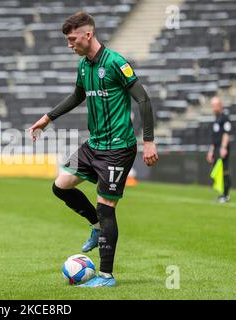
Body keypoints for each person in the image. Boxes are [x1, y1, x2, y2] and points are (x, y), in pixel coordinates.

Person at [29, 12, 158, 287]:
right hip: (95, 144)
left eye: (72, 39)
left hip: (118, 148)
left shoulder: (115, 63)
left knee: (106, 207)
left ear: (88, 35)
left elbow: (143, 100)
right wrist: (48, 117)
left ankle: (106, 276)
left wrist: (148, 141)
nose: (69, 45)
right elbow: (78, 95)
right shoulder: (84, 66)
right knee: (60, 186)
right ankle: (95, 225)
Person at [206, 96, 231, 203]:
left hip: (222, 149)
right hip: (216, 148)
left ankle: (226, 194)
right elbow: (214, 138)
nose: (213, 108)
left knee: (224, 171)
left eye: (215, 105)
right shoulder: (216, 119)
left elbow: (226, 134)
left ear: (220, 105)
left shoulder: (224, 118)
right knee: (218, 172)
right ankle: (222, 194)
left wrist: (224, 147)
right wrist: (211, 151)